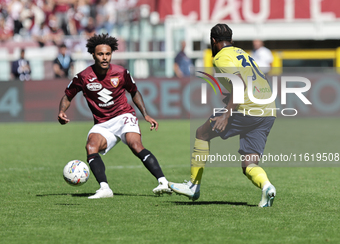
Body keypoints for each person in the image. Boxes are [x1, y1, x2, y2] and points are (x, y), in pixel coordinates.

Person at [169, 24, 277, 207]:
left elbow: (239, 84)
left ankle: (193, 186)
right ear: (231, 39)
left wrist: (226, 114)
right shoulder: (241, 53)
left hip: (248, 109)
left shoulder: (221, 57)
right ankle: (267, 187)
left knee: (202, 133)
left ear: (213, 41)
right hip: (268, 110)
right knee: (248, 164)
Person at [57, 33, 172, 199]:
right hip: (103, 124)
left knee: (135, 144)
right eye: (100, 54)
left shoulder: (121, 72)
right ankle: (105, 189)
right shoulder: (83, 77)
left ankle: (163, 182)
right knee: (91, 147)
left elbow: (134, 92)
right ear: (93, 55)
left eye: (108, 54)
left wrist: (145, 115)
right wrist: (62, 111)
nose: (105, 58)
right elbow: (67, 96)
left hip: (124, 116)